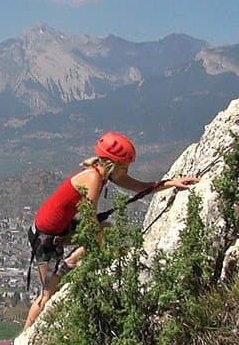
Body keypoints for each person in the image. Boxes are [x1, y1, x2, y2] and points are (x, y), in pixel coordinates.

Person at [24, 131, 198, 329]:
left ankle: (69, 263)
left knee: (104, 229)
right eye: (124, 167)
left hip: (55, 232)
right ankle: (27, 333)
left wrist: (169, 183)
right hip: (46, 240)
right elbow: (90, 221)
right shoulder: (93, 178)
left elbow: (138, 186)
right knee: (47, 294)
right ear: (114, 165)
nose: (126, 171)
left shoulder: (100, 172)